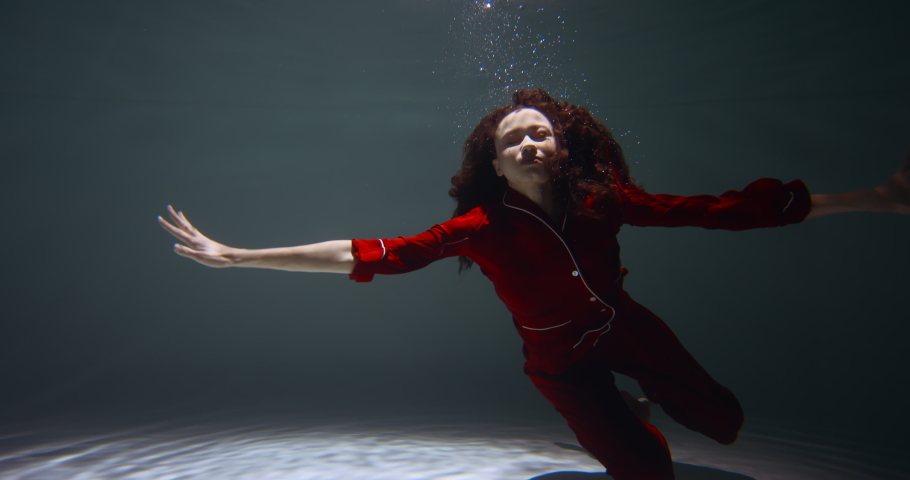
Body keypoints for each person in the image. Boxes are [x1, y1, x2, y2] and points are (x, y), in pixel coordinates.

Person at [159, 89, 909, 480]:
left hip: (624, 323)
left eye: (541, 132)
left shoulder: (602, 198)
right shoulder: (480, 227)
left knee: (724, 420)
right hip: (559, 363)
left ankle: (640, 398)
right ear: (494, 158)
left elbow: (717, 212)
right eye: (513, 135)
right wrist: (239, 255)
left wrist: (868, 200)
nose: (529, 140)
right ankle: (620, 414)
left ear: (559, 148)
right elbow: (372, 253)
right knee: (648, 471)